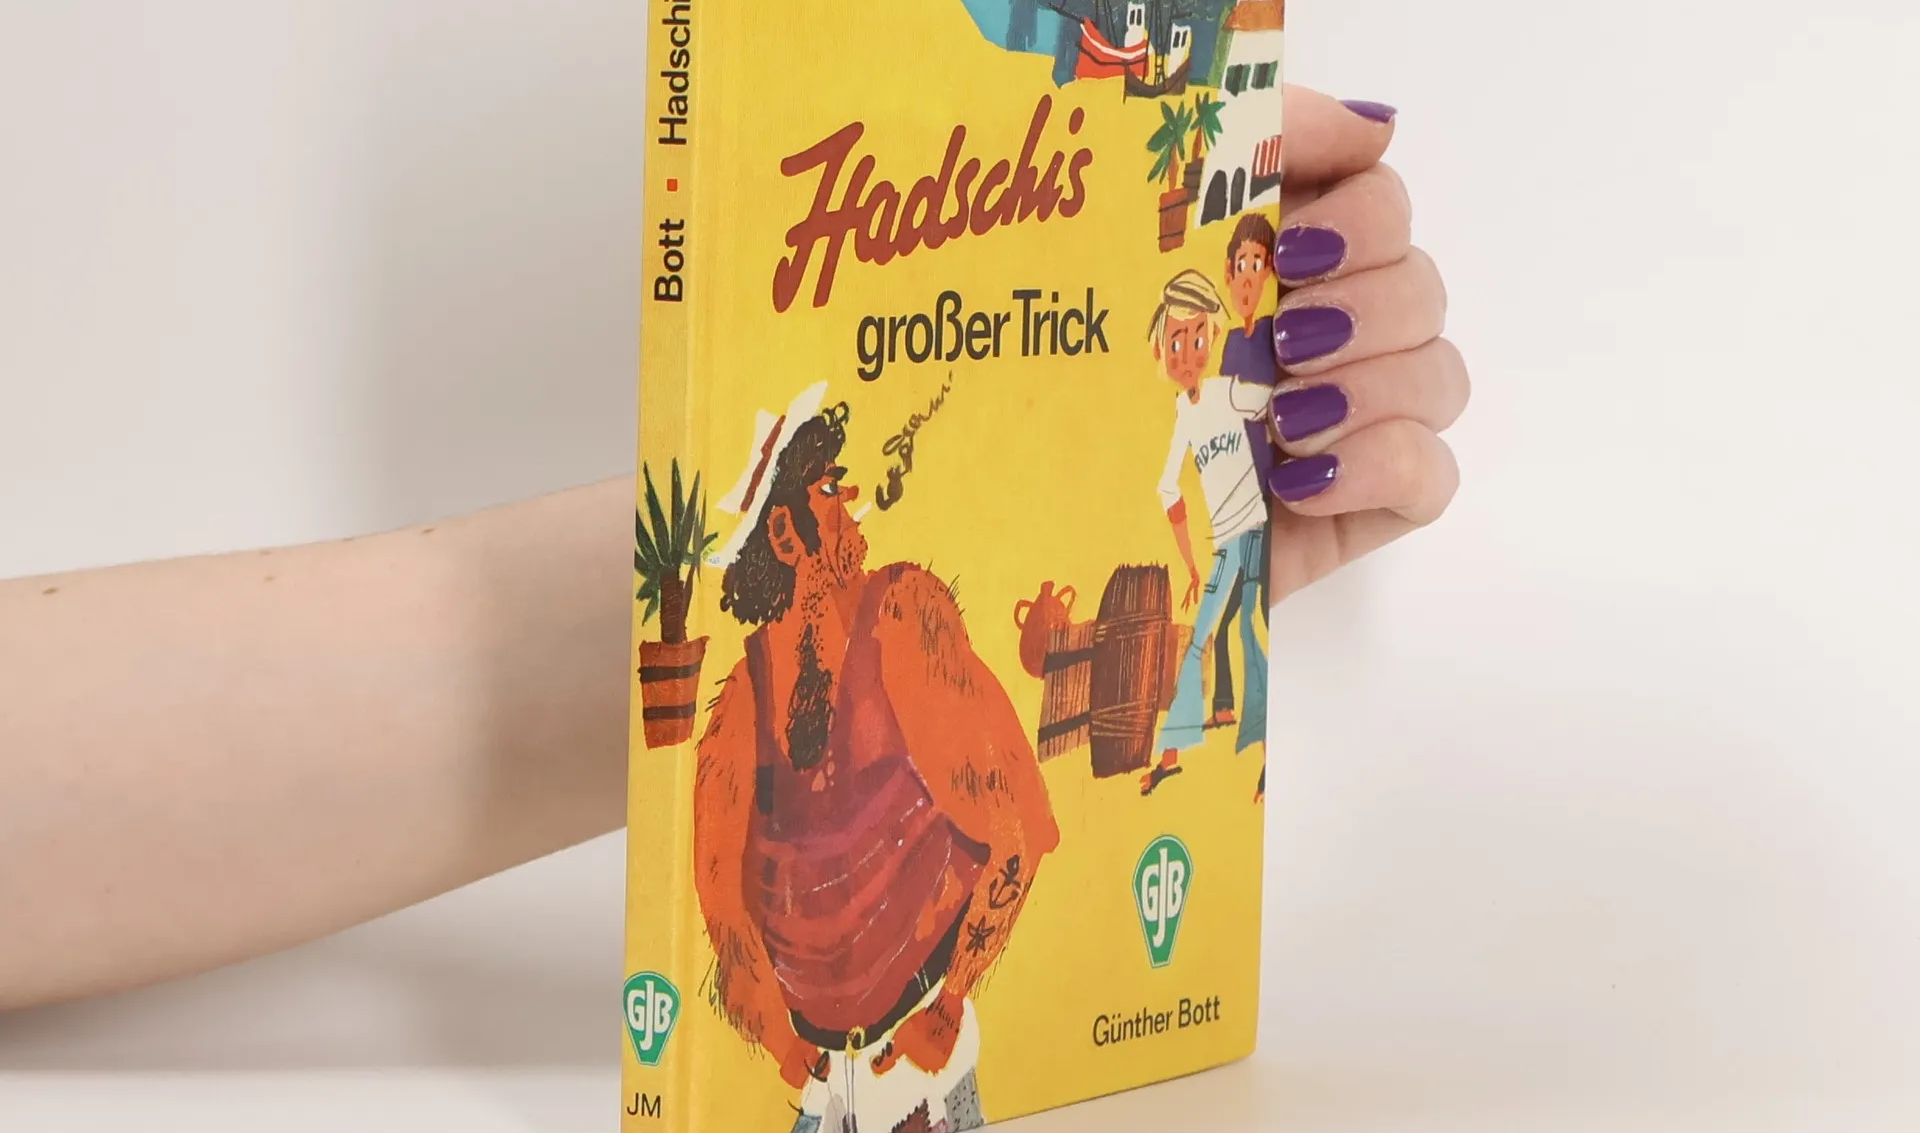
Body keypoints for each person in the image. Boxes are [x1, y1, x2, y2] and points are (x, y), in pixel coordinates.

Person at [0, 87, 1466, 1013]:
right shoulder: (796, 685)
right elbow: (769, 886)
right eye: (819, 505)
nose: (847, 513)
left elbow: (1019, 827)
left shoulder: (887, 622)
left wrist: (1033, 473)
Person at [690, 386, 1057, 1133]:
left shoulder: (902, 615)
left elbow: (1017, 824)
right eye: (828, 486)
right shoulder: (741, 706)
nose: (851, 495)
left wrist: (951, 999)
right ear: (784, 533)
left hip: (921, 1066)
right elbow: (724, 912)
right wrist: (790, 1051)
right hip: (822, 1086)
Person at [1142, 269, 1274, 798]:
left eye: (1197, 338)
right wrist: (1191, 565)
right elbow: (1167, 488)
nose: (1188, 355)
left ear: (1213, 336)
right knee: (1199, 639)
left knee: (1248, 634)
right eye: (1177, 343)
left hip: (1255, 531)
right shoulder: (1184, 412)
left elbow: (1269, 402)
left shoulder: (1225, 392)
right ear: (1161, 350)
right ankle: (1170, 756)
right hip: (1224, 545)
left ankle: (1268, 760)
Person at [1208, 211, 1281, 733]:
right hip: (1237, 502)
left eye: (1258, 263)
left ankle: (1255, 710)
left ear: (1270, 269)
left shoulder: (1275, 333)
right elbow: (1222, 414)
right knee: (1231, 611)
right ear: (1229, 273)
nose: (1249, 277)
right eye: (1242, 264)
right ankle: (1225, 706)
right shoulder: (1234, 342)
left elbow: (1251, 403)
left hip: (1268, 498)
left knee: (1263, 609)